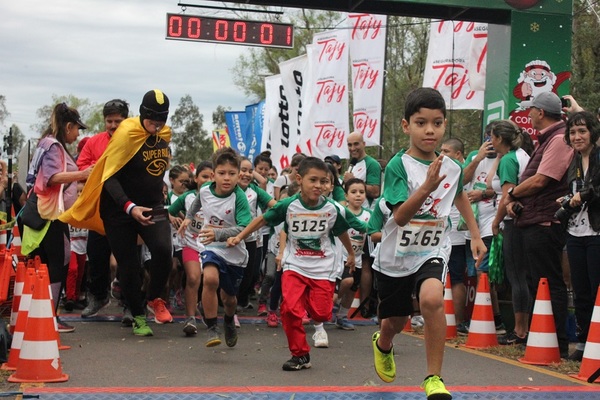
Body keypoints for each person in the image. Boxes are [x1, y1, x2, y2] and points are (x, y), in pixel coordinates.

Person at [371, 88, 486, 400]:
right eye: (421, 123)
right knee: (396, 320)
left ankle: (434, 378)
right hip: (396, 256)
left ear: (444, 124)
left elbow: (458, 193)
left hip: (432, 249)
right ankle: (384, 342)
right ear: (407, 126)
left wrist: (475, 235)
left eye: (436, 123)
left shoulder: (451, 167)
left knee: (433, 299)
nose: (430, 130)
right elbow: (401, 217)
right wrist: (427, 187)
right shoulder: (397, 166)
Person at [61, 89, 174, 336]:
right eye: (152, 121)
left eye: (161, 121)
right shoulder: (125, 133)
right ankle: (138, 317)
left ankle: (153, 298)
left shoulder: (164, 134)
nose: (156, 126)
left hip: (152, 205)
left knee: (165, 251)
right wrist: (129, 207)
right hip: (118, 210)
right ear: (142, 115)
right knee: (128, 265)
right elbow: (108, 176)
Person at [227, 157, 356, 371]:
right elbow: (263, 219)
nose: (318, 186)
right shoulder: (288, 204)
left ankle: (308, 301)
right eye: (312, 180)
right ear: (299, 179)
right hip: (294, 264)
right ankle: (300, 355)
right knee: (289, 310)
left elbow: (342, 229)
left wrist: (351, 253)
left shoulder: (332, 208)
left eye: (323, 181)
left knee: (321, 313)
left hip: (322, 268)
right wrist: (240, 236)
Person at [506, 91, 574, 358]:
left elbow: (541, 180)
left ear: (541, 112)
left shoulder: (558, 139)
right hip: (535, 218)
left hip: (546, 221)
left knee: (548, 282)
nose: (529, 114)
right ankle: (542, 336)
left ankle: (555, 340)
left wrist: (512, 194)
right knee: (539, 282)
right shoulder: (548, 139)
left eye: (531, 110)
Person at [23, 102, 92, 332]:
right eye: (77, 129)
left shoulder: (49, 144)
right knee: (59, 261)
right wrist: (81, 174)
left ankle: (44, 314)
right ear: (68, 126)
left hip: (47, 211)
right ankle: (49, 316)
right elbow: (51, 177)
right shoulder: (53, 146)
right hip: (50, 213)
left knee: (49, 261)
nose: (78, 134)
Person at [182, 147, 251, 347]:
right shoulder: (205, 191)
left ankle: (229, 319)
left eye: (231, 174)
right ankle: (212, 327)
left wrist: (219, 233)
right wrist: (187, 219)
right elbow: (196, 204)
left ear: (239, 175)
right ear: (213, 175)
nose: (226, 178)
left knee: (229, 299)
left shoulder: (239, 198)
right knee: (210, 279)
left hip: (233, 250)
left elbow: (244, 227)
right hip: (209, 245)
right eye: (222, 173)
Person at [77, 99, 130, 322]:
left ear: (127, 120)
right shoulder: (93, 142)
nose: (113, 125)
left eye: (118, 121)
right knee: (97, 256)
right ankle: (98, 297)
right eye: (109, 121)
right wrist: (94, 171)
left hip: (127, 209)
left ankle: (131, 303)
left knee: (128, 259)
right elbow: (81, 168)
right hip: (99, 208)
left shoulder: (135, 141)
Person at [561, 111, 600, 361]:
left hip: (597, 231)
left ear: (593, 133)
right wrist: (567, 200)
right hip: (575, 232)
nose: (577, 137)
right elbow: (572, 191)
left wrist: (584, 195)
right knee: (581, 290)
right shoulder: (574, 162)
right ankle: (585, 342)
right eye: (573, 132)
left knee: (597, 288)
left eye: (582, 131)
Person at [461, 123, 506, 336]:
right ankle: (494, 320)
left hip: (493, 223)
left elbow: (506, 190)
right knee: (480, 274)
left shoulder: (505, 158)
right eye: (487, 137)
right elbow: (462, 180)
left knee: (483, 273)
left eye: (494, 137)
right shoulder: (474, 157)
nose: (491, 142)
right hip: (474, 226)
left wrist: (485, 194)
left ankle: (483, 320)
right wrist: (477, 158)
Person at [489, 121, 531, 346]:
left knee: (516, 276)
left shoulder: (507, 159)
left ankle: (519, 330)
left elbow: (507, 195)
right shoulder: (523, 154)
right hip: (525, 218)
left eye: (491, 136)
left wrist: (496, 222)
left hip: (512, 220)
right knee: (523, 276)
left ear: (498, 138)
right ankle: (524, 327)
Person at [169, 161, 213, 336]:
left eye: (211, 176)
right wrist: (174, 217)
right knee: (193, 277)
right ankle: (190, 318)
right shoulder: (187, 198)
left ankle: (208, 309)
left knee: (211, 281)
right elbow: (169, 210)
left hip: (212, 248)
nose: (208, 180)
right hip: (190, 244)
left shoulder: (222, 198)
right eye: (204, 176)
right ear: (196, 178)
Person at [439, 138, 469, 328]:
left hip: (456, 236)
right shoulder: (443, 170)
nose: (442, 155)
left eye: (446, 151)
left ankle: (458, 321)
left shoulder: (463, 171)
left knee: (456, 278)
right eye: (440, 151)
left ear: (458, 154)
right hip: (440, 235)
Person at [64, 181, 89, 312]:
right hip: (72, 244)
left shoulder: (88, 209)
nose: (79, 194)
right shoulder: (69, 209)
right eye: (77, 191)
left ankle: (77, 296)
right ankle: (69, 298)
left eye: (81, 191)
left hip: (83, 245)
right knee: (72, 269)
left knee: (80, 273)